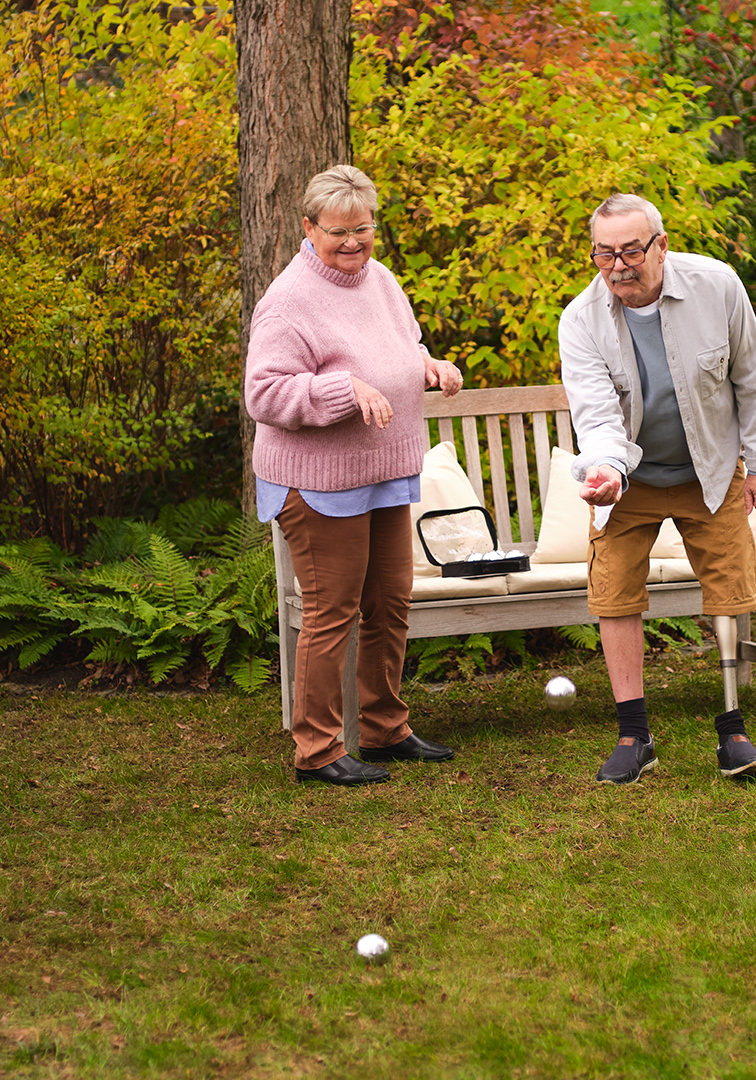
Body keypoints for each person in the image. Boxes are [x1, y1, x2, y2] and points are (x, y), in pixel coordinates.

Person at [558, 192, 756, 784]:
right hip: (628, 481)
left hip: (708, 469)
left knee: (729, 588)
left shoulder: (717, 286)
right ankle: (634, 736)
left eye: (631, 251)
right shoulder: (580, 320)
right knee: (613, 595)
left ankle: (733, 730)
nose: (618, 267)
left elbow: (751, 376)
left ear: (661, 245)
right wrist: (606, 472)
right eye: (604, 254)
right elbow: (596, 416)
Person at [246, 164, 464, 787]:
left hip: (385, 471)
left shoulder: (381, 279)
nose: (352, 242)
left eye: (362, 229)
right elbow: (265, 393)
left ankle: (384, 728)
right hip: (320, 484)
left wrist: (428, 365)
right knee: (331, 612)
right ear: (309, 227)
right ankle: (317, 750)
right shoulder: (287, 302)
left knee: (390, 602)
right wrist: (344, 389)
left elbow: (400, 347)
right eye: (338, 231)